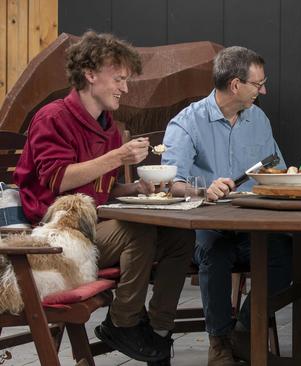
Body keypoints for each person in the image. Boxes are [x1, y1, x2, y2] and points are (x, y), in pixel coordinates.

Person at [14, 31, 195, 365]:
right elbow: (58, 180)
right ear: (91, 74)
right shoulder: (52, 118)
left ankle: (157, 331)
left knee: (179, 236)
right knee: (137, 232)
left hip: (93, 226)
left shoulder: (108, 126)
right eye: (119, 79)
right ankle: (123, 323)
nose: (125, 88)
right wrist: (119, 157)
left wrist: (133, 189)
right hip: (56, 235)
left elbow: (101, 189)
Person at [162, 46, 292, 366]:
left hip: (253, 225)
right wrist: (203, 189)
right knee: (215, 250)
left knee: (287, 254)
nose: (264, 90)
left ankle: (243, 329)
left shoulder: (258, 119)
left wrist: (286, 179)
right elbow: (169, 184)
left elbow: (275, 171)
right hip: (205, 226)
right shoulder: (187, 123)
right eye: (258, 84)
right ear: (236, 85)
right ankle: (219, 342)